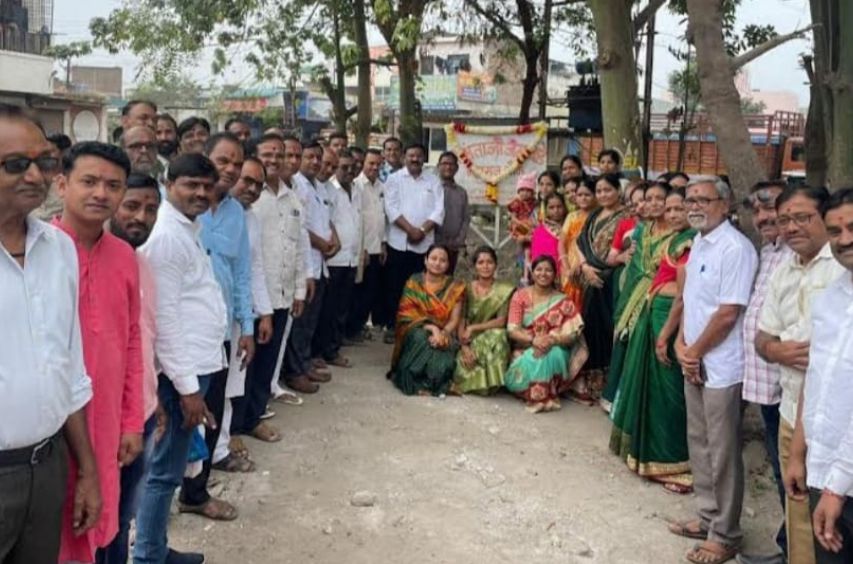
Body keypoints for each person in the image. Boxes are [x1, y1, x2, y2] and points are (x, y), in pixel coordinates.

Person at [0, 104, 100, 564]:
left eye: (45, 162)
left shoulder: (58, 248)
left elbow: (68, 368)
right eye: (16, 164)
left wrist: (87, 471)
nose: (35, 176)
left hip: (46, 466)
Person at [103, 173, 204, 564]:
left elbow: (141, 342)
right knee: (99, 516)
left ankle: (146, 551)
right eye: (131, 206)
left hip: (138, 412)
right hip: (99, 418)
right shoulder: (78, 259)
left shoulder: (138, 262)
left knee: (123, 511)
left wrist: (151, 401)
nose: (141, 217)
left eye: (150, 208)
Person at [134, 154, 229, 564]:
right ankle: (148, 558)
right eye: (191, 184)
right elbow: (165, 319)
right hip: (181, 375)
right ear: (169, 184)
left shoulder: (188, 229)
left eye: (207, 186)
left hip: (197, 367)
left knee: (171, 469)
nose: (201, 193)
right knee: (162, 474)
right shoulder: (167, 238)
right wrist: (188, 390)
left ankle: (155, 549)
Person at [51, 143, 143, 564]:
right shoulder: (39, 252)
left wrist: (131, 422)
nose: (101, 194)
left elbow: (131, 343)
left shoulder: (124, 256)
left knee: (100, 521)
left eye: (112, 185)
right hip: (49, 425)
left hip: (105, 420)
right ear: (62, 184)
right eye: (89, 181)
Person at [669, 176, 758, 564]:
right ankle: (707, 516)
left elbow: (728, 313)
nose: (694, 206)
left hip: (721, 365)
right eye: (690, 199)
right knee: (699, 442)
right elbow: (692, 301)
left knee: (722, 451)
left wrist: (695, 352)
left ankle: (726, 533)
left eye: (703, 200)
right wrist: (681, 346)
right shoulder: (701, 242)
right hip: (696, 359)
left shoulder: (735, 248)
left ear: (725, 204)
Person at [755, 185, 843, 564]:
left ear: (822, 218)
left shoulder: (842, 266)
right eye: (784, 219)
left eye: (802, 217)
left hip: (840, 426)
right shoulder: (783, 269)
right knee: (799, 517)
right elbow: (763, 335)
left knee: (835, 531)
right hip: (793, 409)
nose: (791, 227)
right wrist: (776, 350)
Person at [176, 133, 256, 520]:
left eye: (236, 163)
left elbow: (241, 273)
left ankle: (195, 492)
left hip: (220, 334)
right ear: (205, 159)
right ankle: (160, 493)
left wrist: (248, 326)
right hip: (178, 335)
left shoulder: (237, 214)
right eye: (223, 160)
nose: (230, 169)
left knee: (210, 415)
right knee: (171, 419)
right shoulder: (179, 209)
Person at [608, 186, 695, 494]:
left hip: (670, 319)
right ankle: (644, 453)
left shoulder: (690, 241)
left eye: (677, 208)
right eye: (668, 209)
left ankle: (674, 461)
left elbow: (684, 294)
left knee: (669, 391)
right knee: (648, 383)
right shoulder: (667, 237)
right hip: (653, 312)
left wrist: (669, 333)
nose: (671, 214)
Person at [784, 187, 853, 564]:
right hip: (824, 471)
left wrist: (836, 488)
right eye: (836, 231)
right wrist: (798, 455)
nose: (846, 240)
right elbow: (817, 380)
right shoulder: (830, 299)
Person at [234, 134, 307, 443]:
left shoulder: (292, 198)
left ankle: (255, 416)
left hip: (282, 293)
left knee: (267, 364)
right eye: (268, 154)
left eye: (280, 155)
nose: (275, 160)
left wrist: (300, 290)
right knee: (244, 368)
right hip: (252, 298)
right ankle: (235, 425)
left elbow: (299, 245)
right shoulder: (250, 199)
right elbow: (252, 261)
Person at [739, 180, 792, 563]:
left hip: (788, 385)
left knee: (790, 472)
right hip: (766, 383)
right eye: (756, 210)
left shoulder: (801, 254)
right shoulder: (770, 250)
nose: (763, 217)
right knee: (782, 471)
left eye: (770, 207)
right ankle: (790, 548)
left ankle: (796, 551)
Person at [216, 156, 276, 466]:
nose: (251, 188)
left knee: (230, 386)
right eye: (246, 180)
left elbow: (253, 268)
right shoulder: (208, 213)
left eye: (257, 184)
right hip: (209, 317)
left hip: (239, 315)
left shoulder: (250, 218)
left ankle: (221, 446)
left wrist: (262, 313)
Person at [602, 181, 673, 407]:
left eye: (658, 199)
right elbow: (633, 268)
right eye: (647, 198)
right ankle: (620, 401)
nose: (651, 204)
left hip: (662, 300)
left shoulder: (679, 234)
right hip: (634, 296)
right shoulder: (641, 230)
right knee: (625, 342)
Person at [505, 255, 587, 413]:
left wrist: (552, 340)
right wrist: (533, 340)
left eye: (548, 270)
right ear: (532, 272)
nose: (543, 274)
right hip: (526, 346)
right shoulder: (520, 296)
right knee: (533, 358)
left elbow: (573, 334)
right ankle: (541, 395)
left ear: (555, 274)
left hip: (556, 347)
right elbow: (512, 329)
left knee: (549, 355)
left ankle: (540, 398)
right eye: (539, 269)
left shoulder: (563, 300)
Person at [285, 142, 336, 391]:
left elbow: (325, 221)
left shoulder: (319, 187)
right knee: (300, 323)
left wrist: (332, 240)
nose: (315, 162)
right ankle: (295, 371)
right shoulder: (298, 186)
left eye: (318, 158)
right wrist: (323, 244)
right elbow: (302, 228)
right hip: (307, 262)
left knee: (310, 322)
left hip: (319, 263)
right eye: (309, 157)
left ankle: (304, 364)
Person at [382, 143, 445, 344]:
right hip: (398, 243)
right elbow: (390, 208)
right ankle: (393, 326)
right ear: (404, 157)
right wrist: (410, 230)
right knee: (395, 287)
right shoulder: (393, 179)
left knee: (421, 288)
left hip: (424, 245)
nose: (415, 159)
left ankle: (417, 326)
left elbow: (439, 210)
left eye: (418, 156)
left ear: (424, 158)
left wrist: (422, 231)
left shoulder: (433, 181)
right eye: (411, 155)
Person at [575, 173, 628, 402]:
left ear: (618, 190)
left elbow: (624, 252)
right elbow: (580, 243)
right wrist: (586, 266)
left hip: (611, 281)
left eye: (608, 190)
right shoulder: (595, 214)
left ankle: (608, 385)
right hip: (589, 279)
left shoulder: (626, 216)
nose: (603, 195)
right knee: (589, 328)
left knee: (607, 329)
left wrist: (606, 266)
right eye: (599, 191)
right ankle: (588, 382)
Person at [388, 244, 465, 396]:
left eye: (442, 260)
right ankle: (413, 383)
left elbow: (454, 320)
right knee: (421, 338)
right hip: (415, 329)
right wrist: (433, 329)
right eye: (433, 258)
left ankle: (432, 384)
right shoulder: (414, 282)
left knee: (442, 355)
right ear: (425, 260)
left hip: (445, 330)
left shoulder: (455, 287)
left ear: (448, 264)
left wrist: (442, 333)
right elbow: (406, 316)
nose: (437, 263)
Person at [317, 149, 361, 368]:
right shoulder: (328, 190)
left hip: (351, 259)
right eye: (343, 167)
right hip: (333, 259)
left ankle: (333, 348)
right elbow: (326, 222)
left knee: (342, 308)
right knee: (329, 310)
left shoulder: (357, 189)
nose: (348, 171)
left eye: (352, 167)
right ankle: (325, 351)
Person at [451, 246, 514, 395]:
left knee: (499, 335)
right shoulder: (465, 288)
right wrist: (464, 347)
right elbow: (461, 320)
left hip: (491, 341)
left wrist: (474, 328)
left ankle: (493, 381)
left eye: (489, 262)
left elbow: (501, 321)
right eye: (481, 262)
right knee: (463, 367)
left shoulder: (504, 290)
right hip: (468, 341)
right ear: (474, 267)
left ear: (496, 265)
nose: (485, 266)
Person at [346, 148, 388, 343]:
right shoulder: (356, 186)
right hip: (362, 249)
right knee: (357, 293)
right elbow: (356, 220)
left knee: (370, 292)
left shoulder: (382, 186)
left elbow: (383, 218)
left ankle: (360, 326)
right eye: (371, 163)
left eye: (378, 164)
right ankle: (351, 330)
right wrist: (361, 248)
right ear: (363, 164)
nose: (374, 167)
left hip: (377, 247)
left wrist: (383, 245)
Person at [559, 178, 596, 311]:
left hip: (588, 266)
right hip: (568, 267)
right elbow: (561, 243)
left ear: (595, 196)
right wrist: (566, 268)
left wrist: (581, 265)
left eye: (587, 195)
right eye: (580, 195)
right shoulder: (571, 216)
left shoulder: (597, 217)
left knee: (586, 308)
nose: (583, 198)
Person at [434, 151, 470, 274]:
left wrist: (459, 241)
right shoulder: (431, 189)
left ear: (456, 168)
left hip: (453, 246)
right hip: (433, 245)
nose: (448, 167)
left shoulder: (461, 192)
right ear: (438, 166)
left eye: (451, 164)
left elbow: (465, 219)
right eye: (444, 163)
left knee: (448, 282)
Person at [507, 172, 538, 283]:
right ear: (518, 191)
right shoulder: (516, 203)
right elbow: (513, 218)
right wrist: (522, 224)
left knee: (529, 250)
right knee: (523, 249)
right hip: (520, 227)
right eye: (522, 190)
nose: (525, 193)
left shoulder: (535, 203)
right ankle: (524, 271)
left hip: (530, 228)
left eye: (528, 190)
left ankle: (527, 271)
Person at [530, 193, 568, 278]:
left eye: (559, 207)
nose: (556, 210)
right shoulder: (539, 231)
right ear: (546, 209)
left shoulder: (571, 226)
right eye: (551, 207)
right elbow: (536, 258)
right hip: (547, 277)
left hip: (570, 274)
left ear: (564, 207)